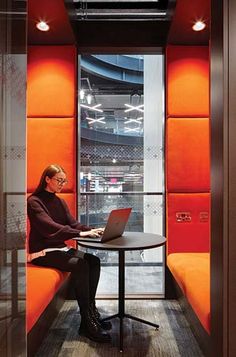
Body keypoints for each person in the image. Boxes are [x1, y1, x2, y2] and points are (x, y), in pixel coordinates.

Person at [27, 164, 112, 343]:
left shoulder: (59, 201)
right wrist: (79, 234)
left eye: (64, 181)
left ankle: (91, 312)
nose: (62, 184)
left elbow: (72, 223)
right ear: (47, 179)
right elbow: (48, 226)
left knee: (93, 260)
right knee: (81, 264)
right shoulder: (34, 201)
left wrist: (92, 229)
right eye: (59, 180)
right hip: (42, 252)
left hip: (59, 249)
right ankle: (87, 322)